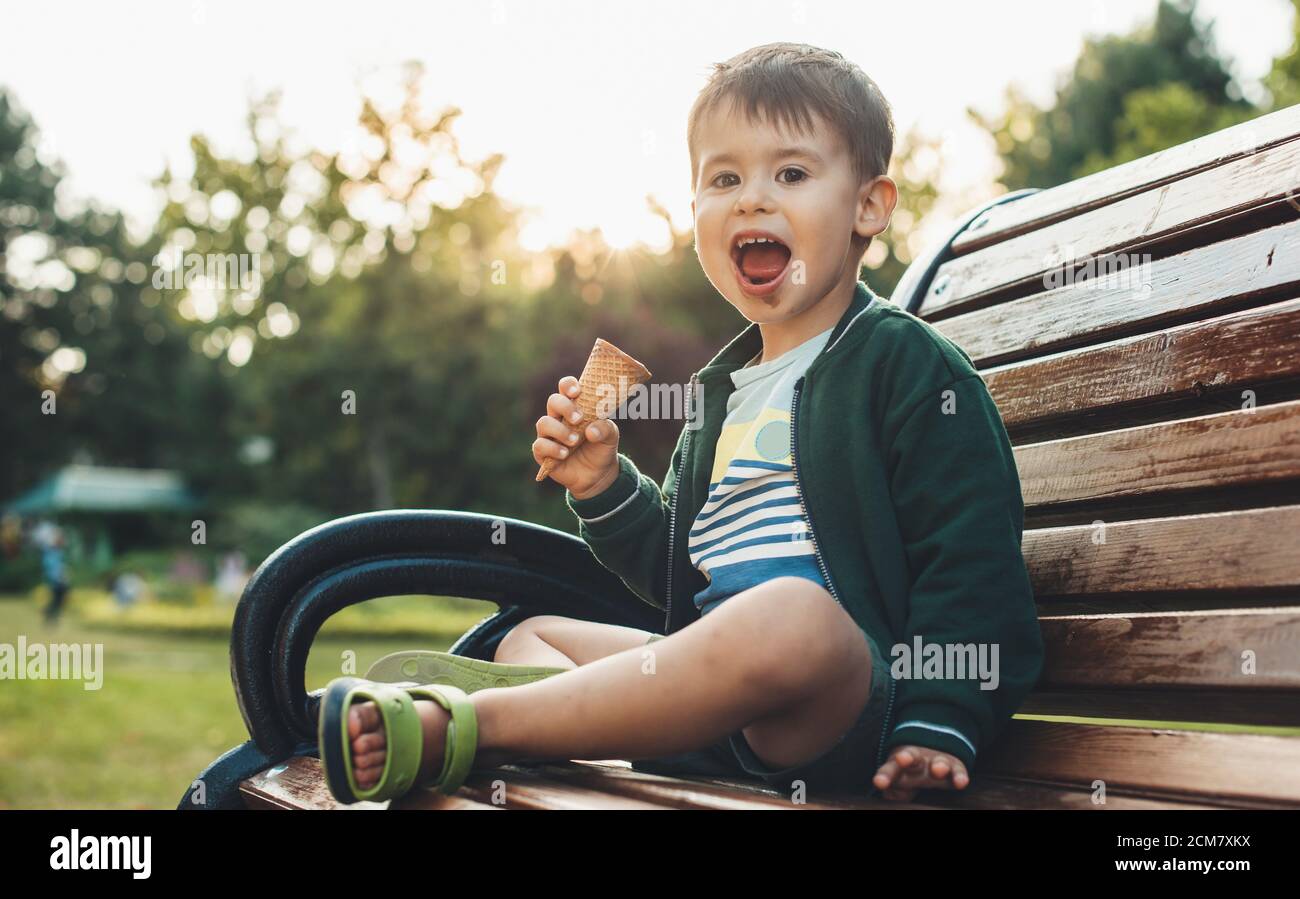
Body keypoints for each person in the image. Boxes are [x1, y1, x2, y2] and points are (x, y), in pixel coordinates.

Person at [328, 42, 1044, 804]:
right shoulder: (720, 396)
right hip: (712, 707)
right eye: (724, 178)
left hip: (840, 706)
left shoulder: (906, 368)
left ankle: (464, 725)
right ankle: (542, 721)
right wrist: (604, 486)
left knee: (792, 615)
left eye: (792, 174)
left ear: (869, 204)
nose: (751, 199)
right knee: (532, 634)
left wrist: (937, 724)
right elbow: (678, 577)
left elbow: (972, 571)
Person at [41, 528, 70, 625]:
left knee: (58, 600)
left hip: (58, 579)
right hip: (56, 580)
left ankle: (50, 614)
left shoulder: (57, 552)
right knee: (57, 599)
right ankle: (49, 614)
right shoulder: (50, 552)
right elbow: (52, 567)